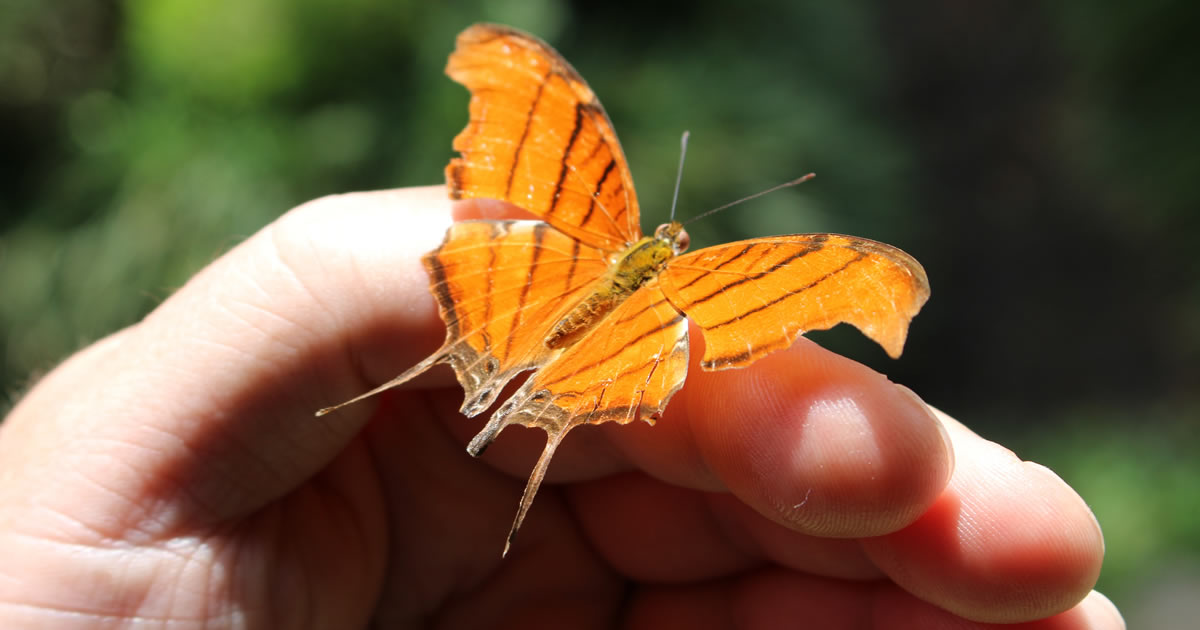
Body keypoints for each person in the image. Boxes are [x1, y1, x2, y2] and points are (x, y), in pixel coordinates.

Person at [0, 186, 1123, 628]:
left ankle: (500, 399)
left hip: (554, 303)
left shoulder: (608, 228)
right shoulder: (698, 279)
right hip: (596, 333)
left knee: (501, 364)